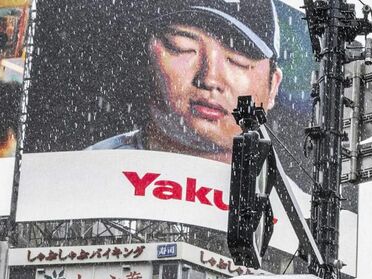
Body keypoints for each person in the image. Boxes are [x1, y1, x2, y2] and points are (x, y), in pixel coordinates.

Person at [87, 0, 284, 163]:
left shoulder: (294, 208)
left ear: (273, 86)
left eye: (238, 60)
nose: (210, 79)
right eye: (183, 47)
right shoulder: (83, 176)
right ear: (145, 57)